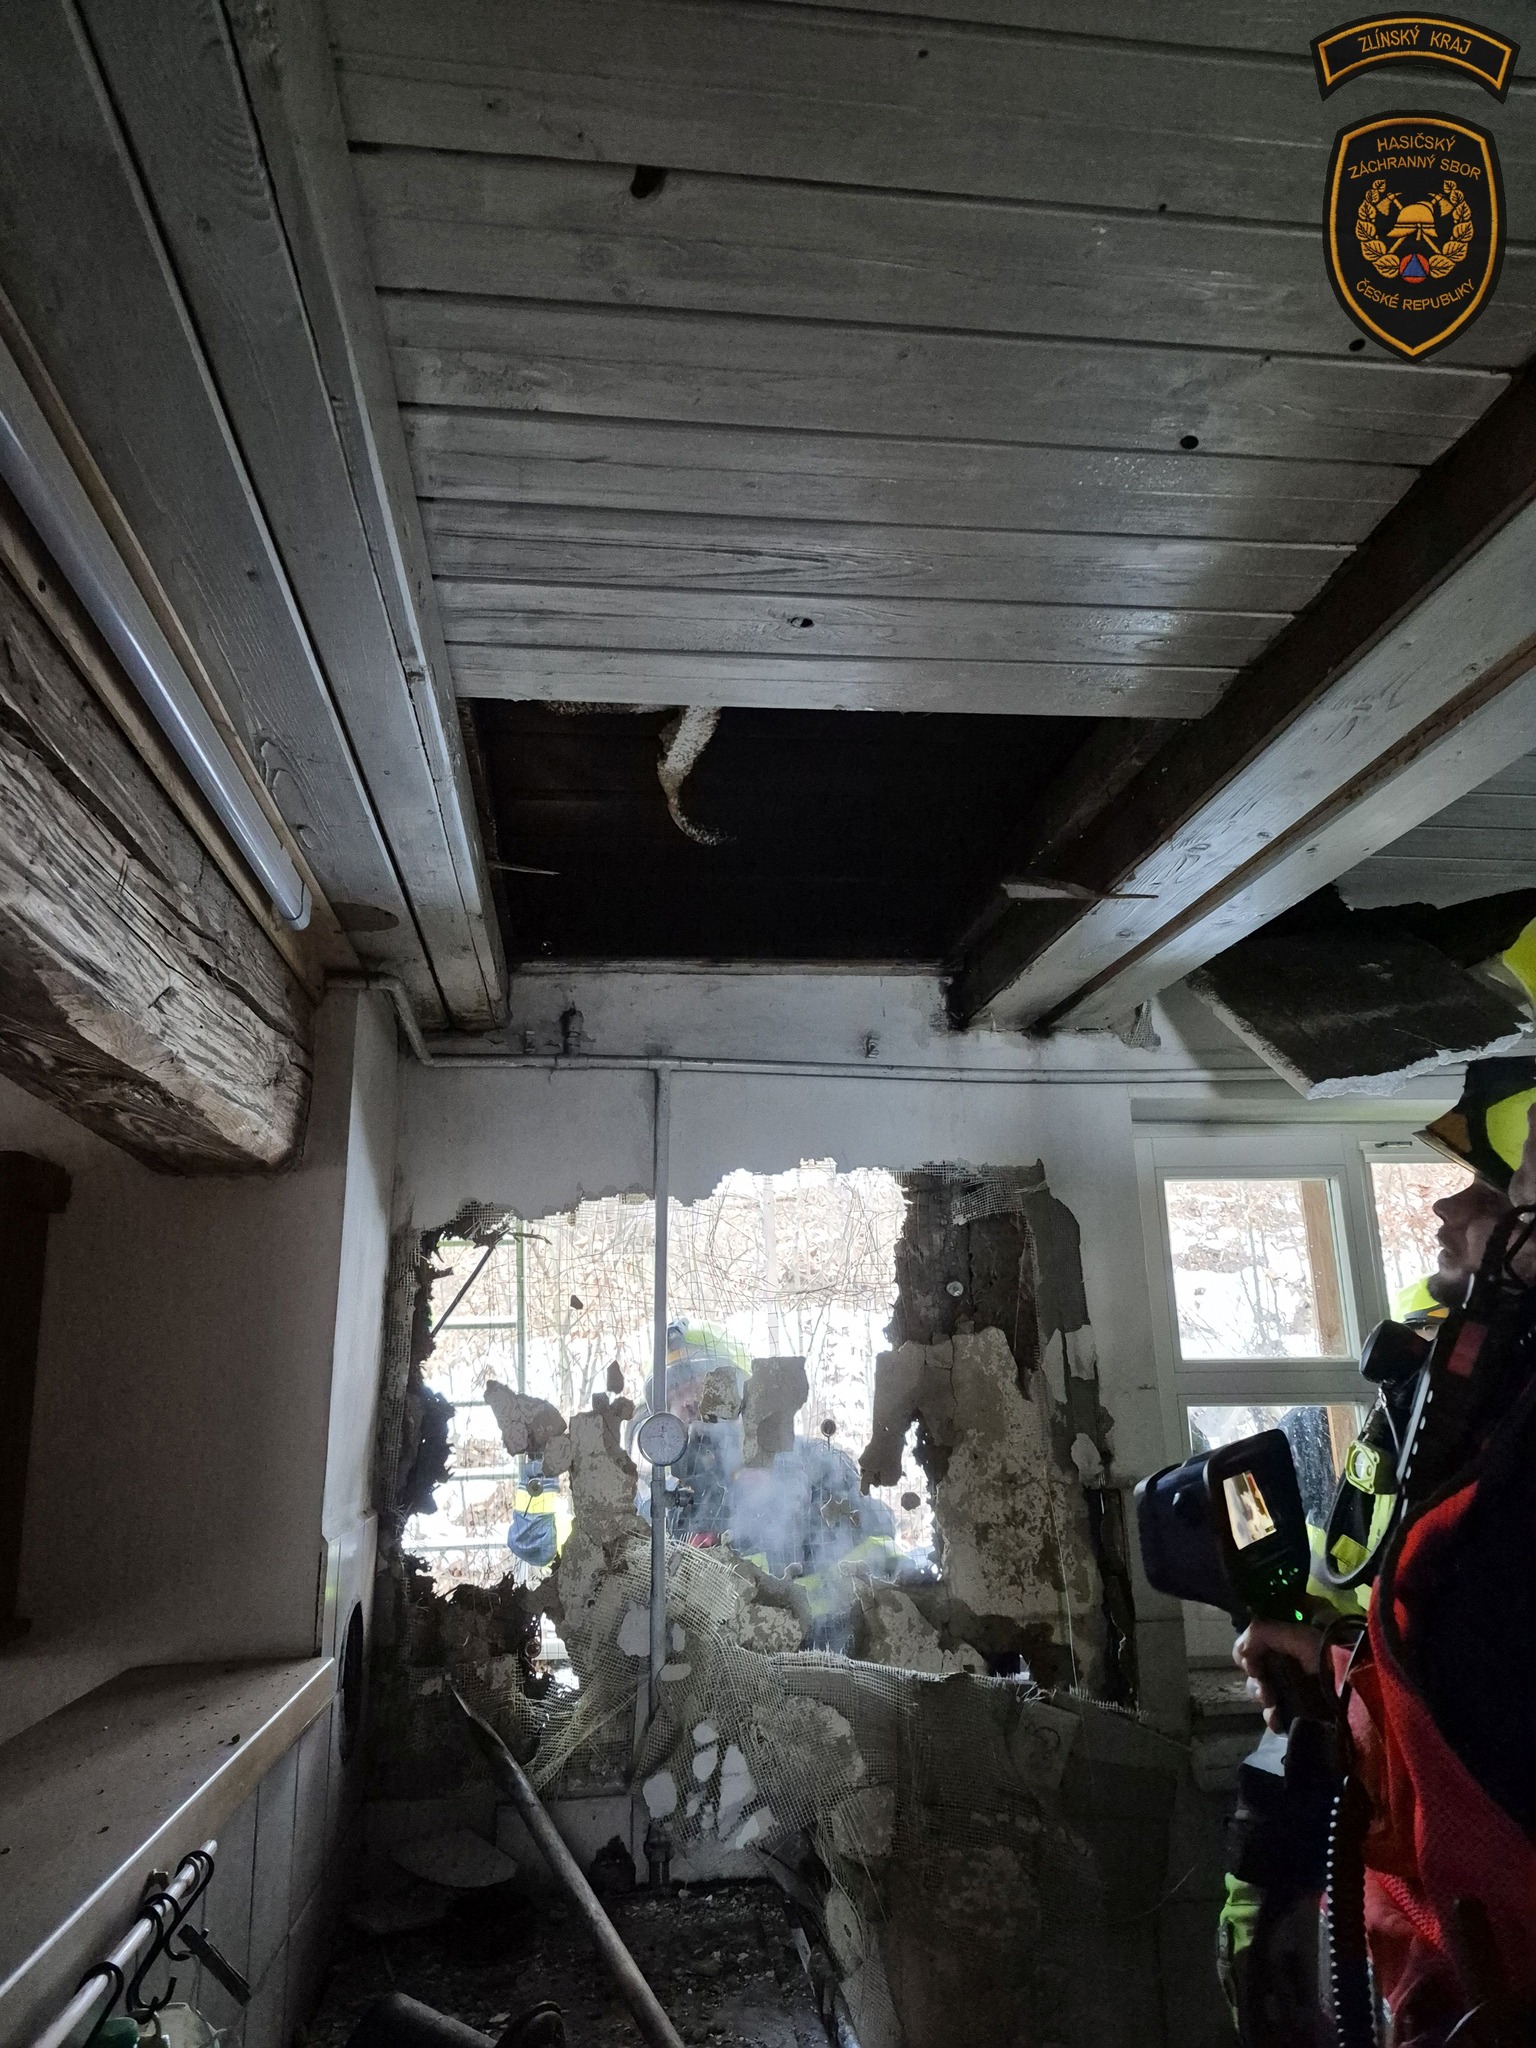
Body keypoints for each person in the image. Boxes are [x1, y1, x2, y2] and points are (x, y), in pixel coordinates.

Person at [1233, 1067, 1536, 2045]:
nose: (1451, 1209)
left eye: (1505, 1185)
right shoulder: (1500, 1417)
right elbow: (1473, 1672)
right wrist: (1337, 1665)